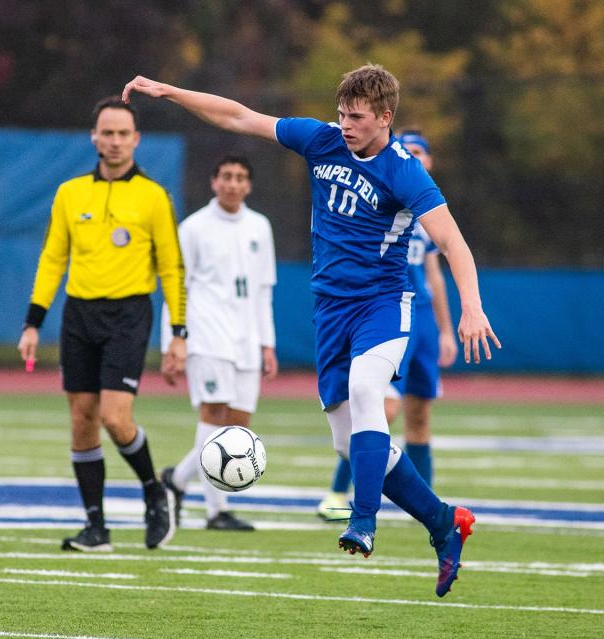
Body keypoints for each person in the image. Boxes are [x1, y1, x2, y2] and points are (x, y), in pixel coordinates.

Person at [122, 64, 500, 597]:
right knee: (348, 441)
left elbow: (454, 243)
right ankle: (443, 522)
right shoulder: (322, 140)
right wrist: (168, 92)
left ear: (385, 117)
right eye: (342, 113)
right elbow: (237, 115)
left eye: (357, 117)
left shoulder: (405, 171)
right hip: (331, 310)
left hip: (383, 305)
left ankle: (362, 520)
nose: (344, 124)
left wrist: (471, 309)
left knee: (370, 392)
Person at [17, 96, 187, 552]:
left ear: (137, 139)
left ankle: (154, 491)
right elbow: (53, 258)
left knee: (115, 417)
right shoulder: (71, 193)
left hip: (129, 316)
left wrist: (178, 334)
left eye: (122, 134)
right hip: (79, 315)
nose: (114, 141)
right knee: (82, 420)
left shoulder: (153, 196)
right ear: (94, 137)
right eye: (106, 133)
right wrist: (33, 323)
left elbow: (171, 268)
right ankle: (97, 528)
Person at [317, 128, 459, 520]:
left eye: (419, 151)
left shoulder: (427, 208)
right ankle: (338, 493)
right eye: (408, 149)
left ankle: (426, 504)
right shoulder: (388, 188)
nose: (412, 156)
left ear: (428, 161)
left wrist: (447, 328)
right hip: (384, 310)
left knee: (419, 411)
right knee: (378, 406)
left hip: (421, 316)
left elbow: (435, 273)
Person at [158, 155, 278, 532]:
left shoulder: (260, 226)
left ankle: (176, 479)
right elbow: (175, 287)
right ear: (213, 181)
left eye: (241, 177)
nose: (233, 183)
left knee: (239, 426)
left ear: (249, 185)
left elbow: (263, 292)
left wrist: (267, 344)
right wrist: (172, 343)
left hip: (247, 337)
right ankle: (216, 511)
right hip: (207, 334)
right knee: (214, 415)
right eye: (226, 176)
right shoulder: (193, 228)